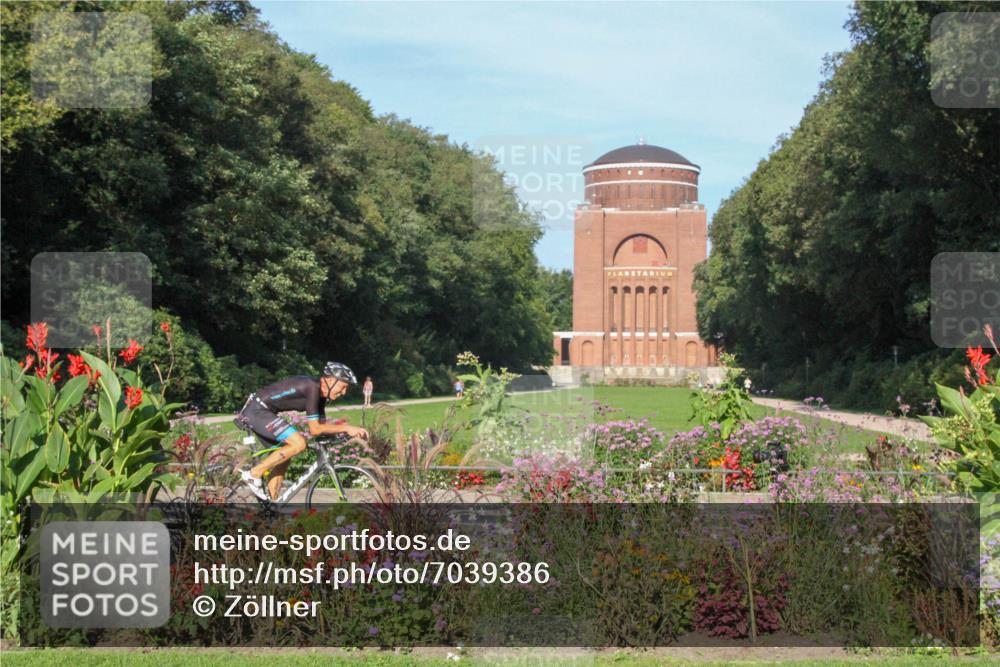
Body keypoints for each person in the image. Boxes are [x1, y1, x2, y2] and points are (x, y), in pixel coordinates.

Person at [237, 362, 368, 500]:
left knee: (283, 458)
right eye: (343, 386)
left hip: (262, 412)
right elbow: (315, 429)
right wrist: (347, 428)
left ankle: (271, 505)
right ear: (331, 380)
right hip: (257, 411)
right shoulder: (312, 387)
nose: (344, 392)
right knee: (299, 443)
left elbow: (322, 426)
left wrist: (346, 433)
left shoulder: (321, 396)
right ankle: (253, 474)